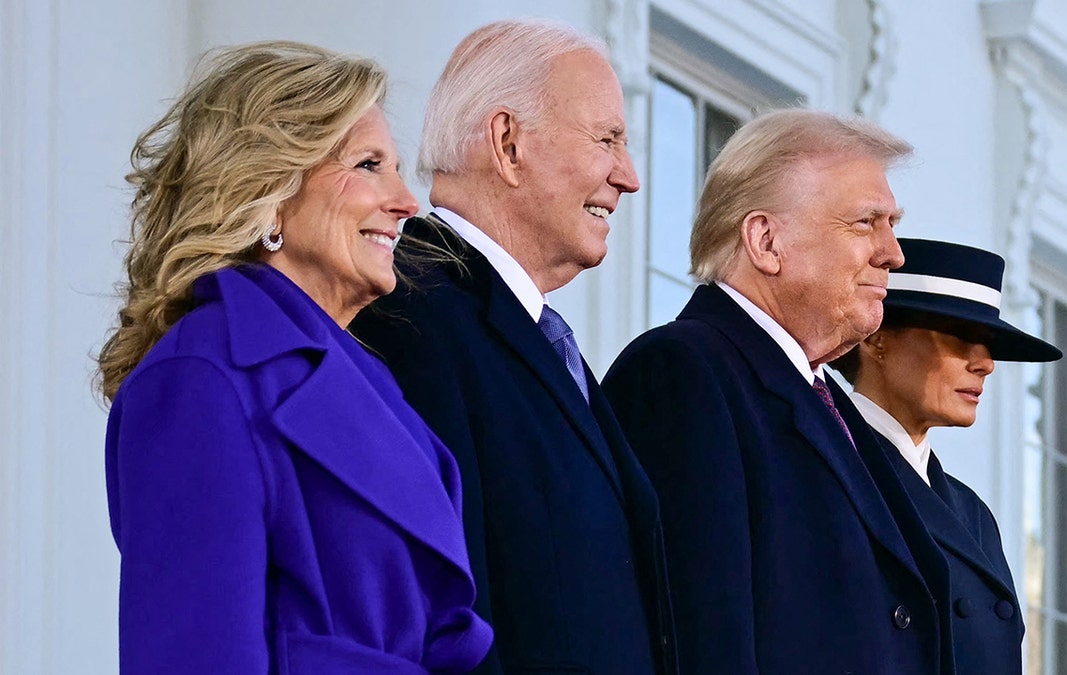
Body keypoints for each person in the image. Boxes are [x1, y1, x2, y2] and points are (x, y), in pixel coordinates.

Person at [96, 41, 491, 674]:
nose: (407, 202)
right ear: (272, 192)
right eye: (369, 165)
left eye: (397, 168)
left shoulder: (375, 385)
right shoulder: (203, 378)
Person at [350, 19, 675, 675]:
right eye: (608, 138)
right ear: (507, 143)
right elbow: (440, 608)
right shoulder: (410, 311)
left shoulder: (531, 333)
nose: (630, 176)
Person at [602, 109, 958, 674]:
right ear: (766, 241)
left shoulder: (828, 398)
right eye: (867, 223)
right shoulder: (683, 372)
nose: (894, 253)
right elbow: (701, 635)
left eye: (892, 223)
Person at [829, 237, 1062, 674]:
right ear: (877, 339)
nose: (985, 364)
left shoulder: (973, 514)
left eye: (989, 342)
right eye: (960, 336)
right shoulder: (825, 471)